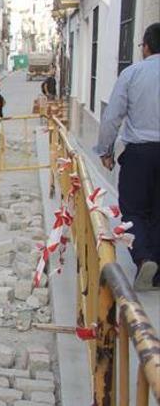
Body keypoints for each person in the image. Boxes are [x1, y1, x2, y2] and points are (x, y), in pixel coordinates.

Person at [94, 23, 160, 291]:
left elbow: (112, 117)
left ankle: (144, 257)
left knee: (133, 209)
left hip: (140, 154)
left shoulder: (132, 73)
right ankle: (156, 271)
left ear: (145, 46)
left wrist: (105, 150)